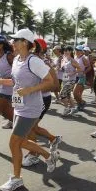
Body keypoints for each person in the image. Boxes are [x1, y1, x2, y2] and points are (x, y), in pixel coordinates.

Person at [0, 29, 59, 191]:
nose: (12, 43)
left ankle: (16, 179)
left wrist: (30, 90)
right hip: (19, 106)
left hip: (31, 108)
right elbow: (15, 82)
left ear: (25, 43)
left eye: (16, 40)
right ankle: (48, 156)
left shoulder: (33, 61)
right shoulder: (16, 60)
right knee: (19, 142)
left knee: (14, 142)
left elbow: (50, 82)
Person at [22, 38, 62, 167]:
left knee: (29, 127)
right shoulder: (26, 60)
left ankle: (34, 154)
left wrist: (35, 89)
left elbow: (56, 86)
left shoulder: (43, 63)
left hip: (41, 99)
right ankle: (53, 139)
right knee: (32, 127)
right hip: (29, 98)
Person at [60, 46, 82, 116]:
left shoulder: (72, 60)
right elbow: (63, 69)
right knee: (68, 94)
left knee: (62, 94)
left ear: (70, 52)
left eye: (67, 51)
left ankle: (67, 108)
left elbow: (79, 69)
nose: (66, 52)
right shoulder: (63, 59)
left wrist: (72, 73)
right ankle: (73, 108)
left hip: (71, 80)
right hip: (65, 79)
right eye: (65, 51)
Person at [73, 45, 91, 111]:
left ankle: (82, 102)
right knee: (76, 94)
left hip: (81, 77)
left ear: (81, 51)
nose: (76, 51)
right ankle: (80, 103)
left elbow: (89, 67)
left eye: (78, 50)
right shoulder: (75, 57)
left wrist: (84, 72)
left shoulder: (83, 58)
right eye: (76, 50)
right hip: (75, 77)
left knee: (75, 93)